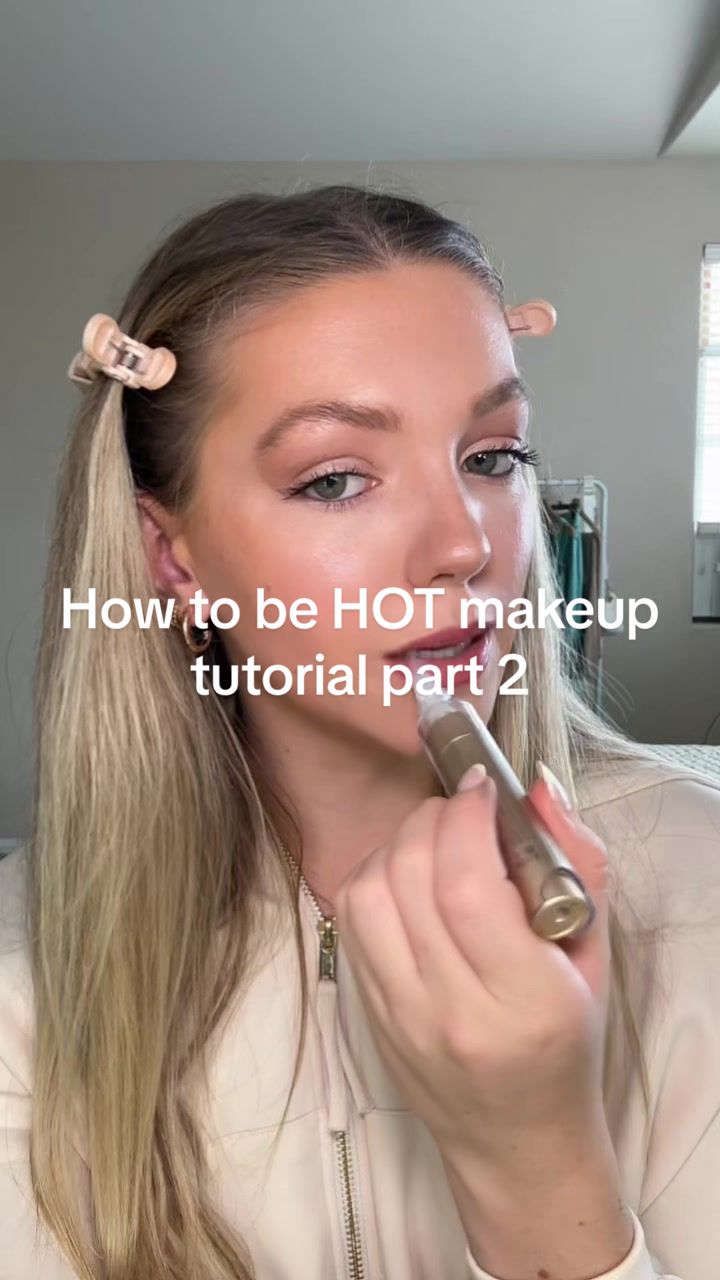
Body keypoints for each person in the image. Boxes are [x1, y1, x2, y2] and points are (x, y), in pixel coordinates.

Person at [0, 183, 718, 1280]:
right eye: (336, 479)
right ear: (173, 558)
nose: (463, 545)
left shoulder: (698, 881)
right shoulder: (26, 978)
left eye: (493, 457)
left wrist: (539, 1171)